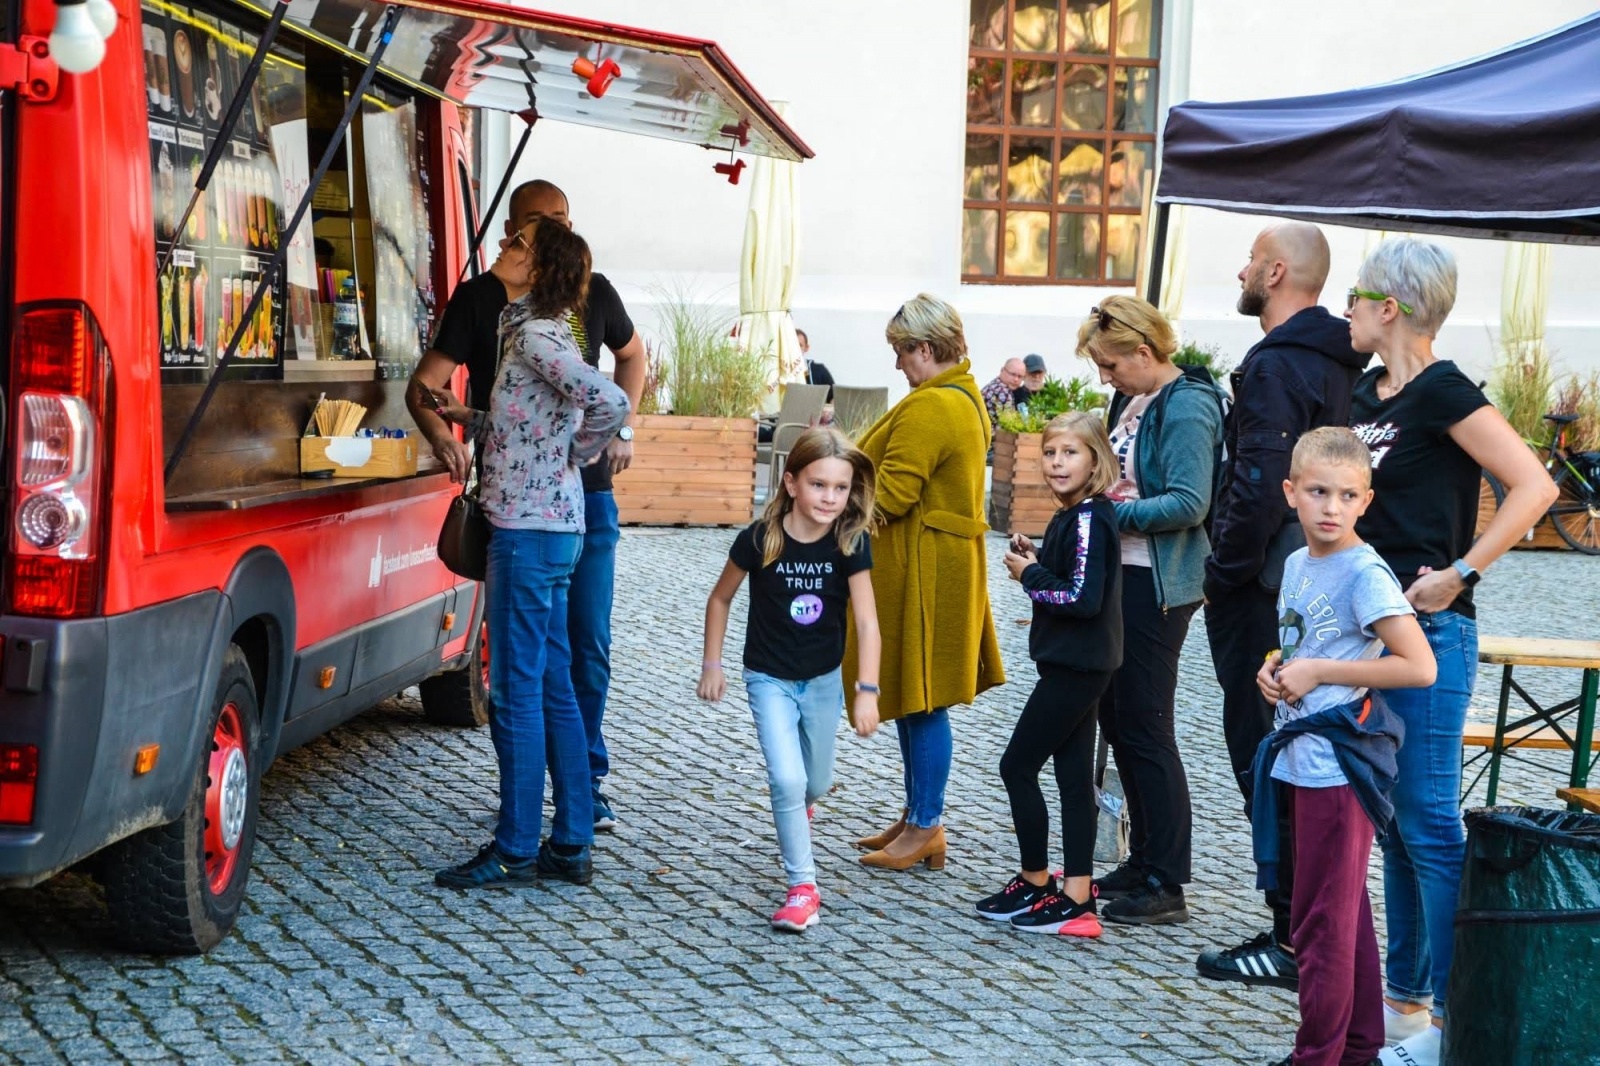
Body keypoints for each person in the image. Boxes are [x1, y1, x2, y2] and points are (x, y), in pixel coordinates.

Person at [1342, 240, 1556, 1066]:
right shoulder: (1370, 391)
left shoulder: (1443, 390)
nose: (1348, 311)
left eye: (1358, 296)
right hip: (1373, 630)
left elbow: (1534, 487)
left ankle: (1460, 1021)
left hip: (1431, 630)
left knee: (1429, 820)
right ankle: (1407, 1005)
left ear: (1389, 305)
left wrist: (1462, 571)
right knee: (1396, 823)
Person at [410, 179, 645, 832]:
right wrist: (470, 420)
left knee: (532, 681)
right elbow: (529, 422)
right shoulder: (515, 320)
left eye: (528, 239)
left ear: (539, 264)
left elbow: (612, 400)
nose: (512, 244)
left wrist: (585, 450)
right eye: (520, 230)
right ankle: (566, 833)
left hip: (537, 523)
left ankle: (526, 835)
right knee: (549, 677)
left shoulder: (540, 335)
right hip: (532, 517)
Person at [1197, 221, 1372, 991]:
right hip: (1310, 579)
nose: (1239, 270)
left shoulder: (1277, 366)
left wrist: (1221, 572)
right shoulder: (1343, 359)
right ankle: (1307, 931)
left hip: (1264, 587)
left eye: (1248, 262)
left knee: (1268, 756)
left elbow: (1260, 482)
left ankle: (1290, 934)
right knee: (1302, 756)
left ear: (1273, 272)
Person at [1252, 427, 1437, 1066]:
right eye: (1318, 492)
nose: (1331, 507)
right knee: (1343, 910)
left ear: (1366, 501)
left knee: (1320, 925)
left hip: (1340, 767)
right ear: (1290, 493)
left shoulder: (1364, 572)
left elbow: (1419, 667)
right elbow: (1309, 646)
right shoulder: (1299, 564)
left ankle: (1317, 1057)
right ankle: (1357, 1049)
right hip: (1301, 759)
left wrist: (1322, 674)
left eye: (1347, 495)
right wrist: (1277, 668)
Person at [697, 428, 882, 932]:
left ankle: (802, 810)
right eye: (819, 485)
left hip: (823, 680)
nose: (830, 498)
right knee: (787, 779)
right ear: (792, 482)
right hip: (768, 678)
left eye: (840, 488)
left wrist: (866, 690)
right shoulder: (760, 539)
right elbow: (720, 598)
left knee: (815, 782)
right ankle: (804, 888)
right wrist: (712, 665)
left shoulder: (849, 542)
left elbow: (867, 621)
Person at [845, 294, 1005, 871]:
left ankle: (928, 823)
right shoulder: (960, 396)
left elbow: (892, 493)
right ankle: (917, 817)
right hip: (936, 564)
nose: (896, 364)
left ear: (926, 348)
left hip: (924, 570)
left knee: (925, 699)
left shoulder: (933, 406)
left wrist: (830, 514)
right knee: (916, 697)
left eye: (900, 352)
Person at [1079, 295, 1223, 925]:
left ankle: (1168, 877)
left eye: (1111, 365)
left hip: (1159, 583)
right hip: (1125, 574)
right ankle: (1141, 861)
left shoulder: (1187, 403)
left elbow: (1190, 502)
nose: (1105, 378)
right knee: (1118, 716)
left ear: (1145, 351)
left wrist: (1107, 515)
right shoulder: (1135, 399)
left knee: (1145, 720)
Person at [976, 412, 1122, 938]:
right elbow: (1073, 578)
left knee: (1016, 766)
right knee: (1070, 778)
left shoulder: (1088, 518)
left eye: (1071, 453)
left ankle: (1039, 880)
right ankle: (1076, 889)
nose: (1058, 463)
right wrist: (1038, 559)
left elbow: (1080, 599)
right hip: (1074, 662)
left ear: (1096, 459)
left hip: (1078, 667)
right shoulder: (1073, 516)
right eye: (1051, 452)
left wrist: (1028, 575)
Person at [982, 357, 1026, 428]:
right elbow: (1009, 426)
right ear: (1002, 370)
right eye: (1013, 374)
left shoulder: (993, 385)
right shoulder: (1003, 391)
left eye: (1020, 376)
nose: (1016, 379)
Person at [796, 329, 835, 401]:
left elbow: (835, 396)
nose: (795, 349)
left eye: (799, 345)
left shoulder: (819, 370)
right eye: (791, 346)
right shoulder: (777, 372)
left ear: (806, 348)